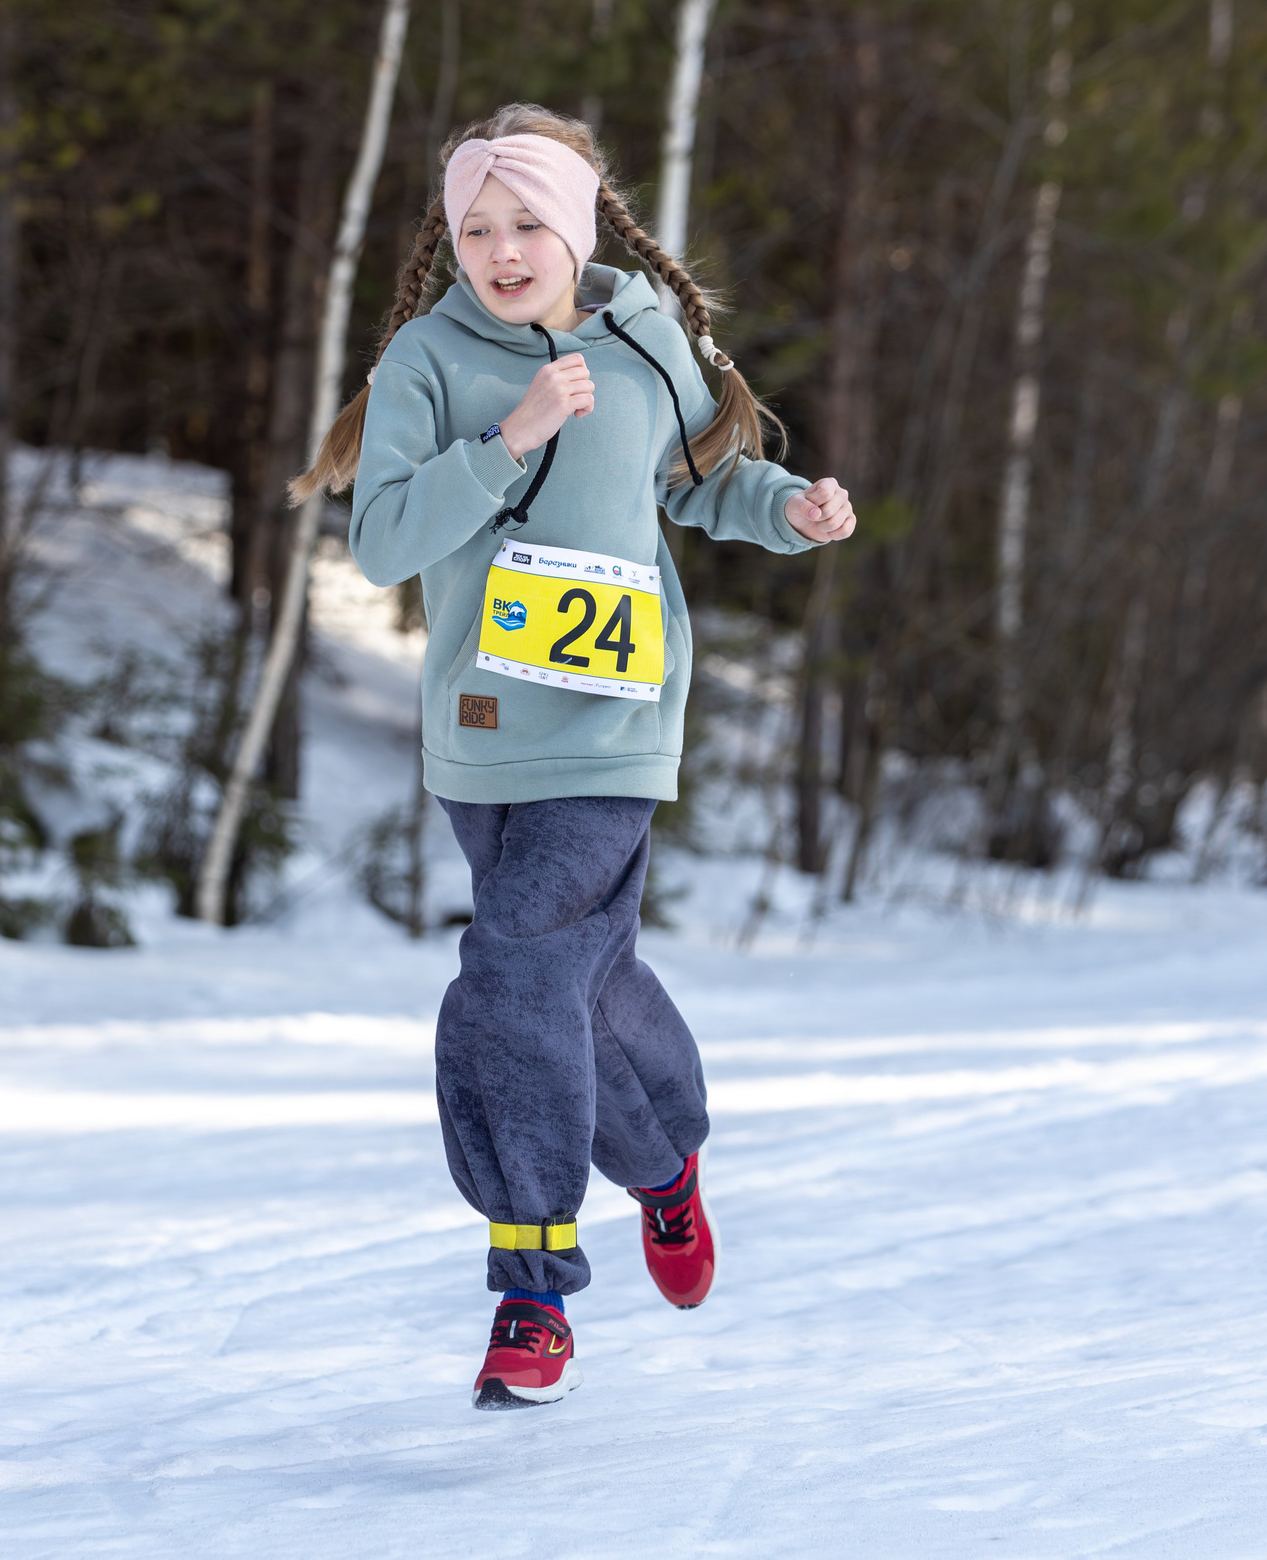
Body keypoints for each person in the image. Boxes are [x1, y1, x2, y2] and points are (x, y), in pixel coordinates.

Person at [300, 106, 856, 1408]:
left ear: (580, 227)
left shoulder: (647, 339)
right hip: (486, 730)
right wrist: (511, 439)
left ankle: (533, 1283)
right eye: (476, 230)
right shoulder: (428, 362)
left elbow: (702, 480)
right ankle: (666, 1164)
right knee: (576, 982)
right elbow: (381, 541)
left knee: (513, 968)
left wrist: (790, 508)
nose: (502, 251)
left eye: (526, 226)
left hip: (614, 722)